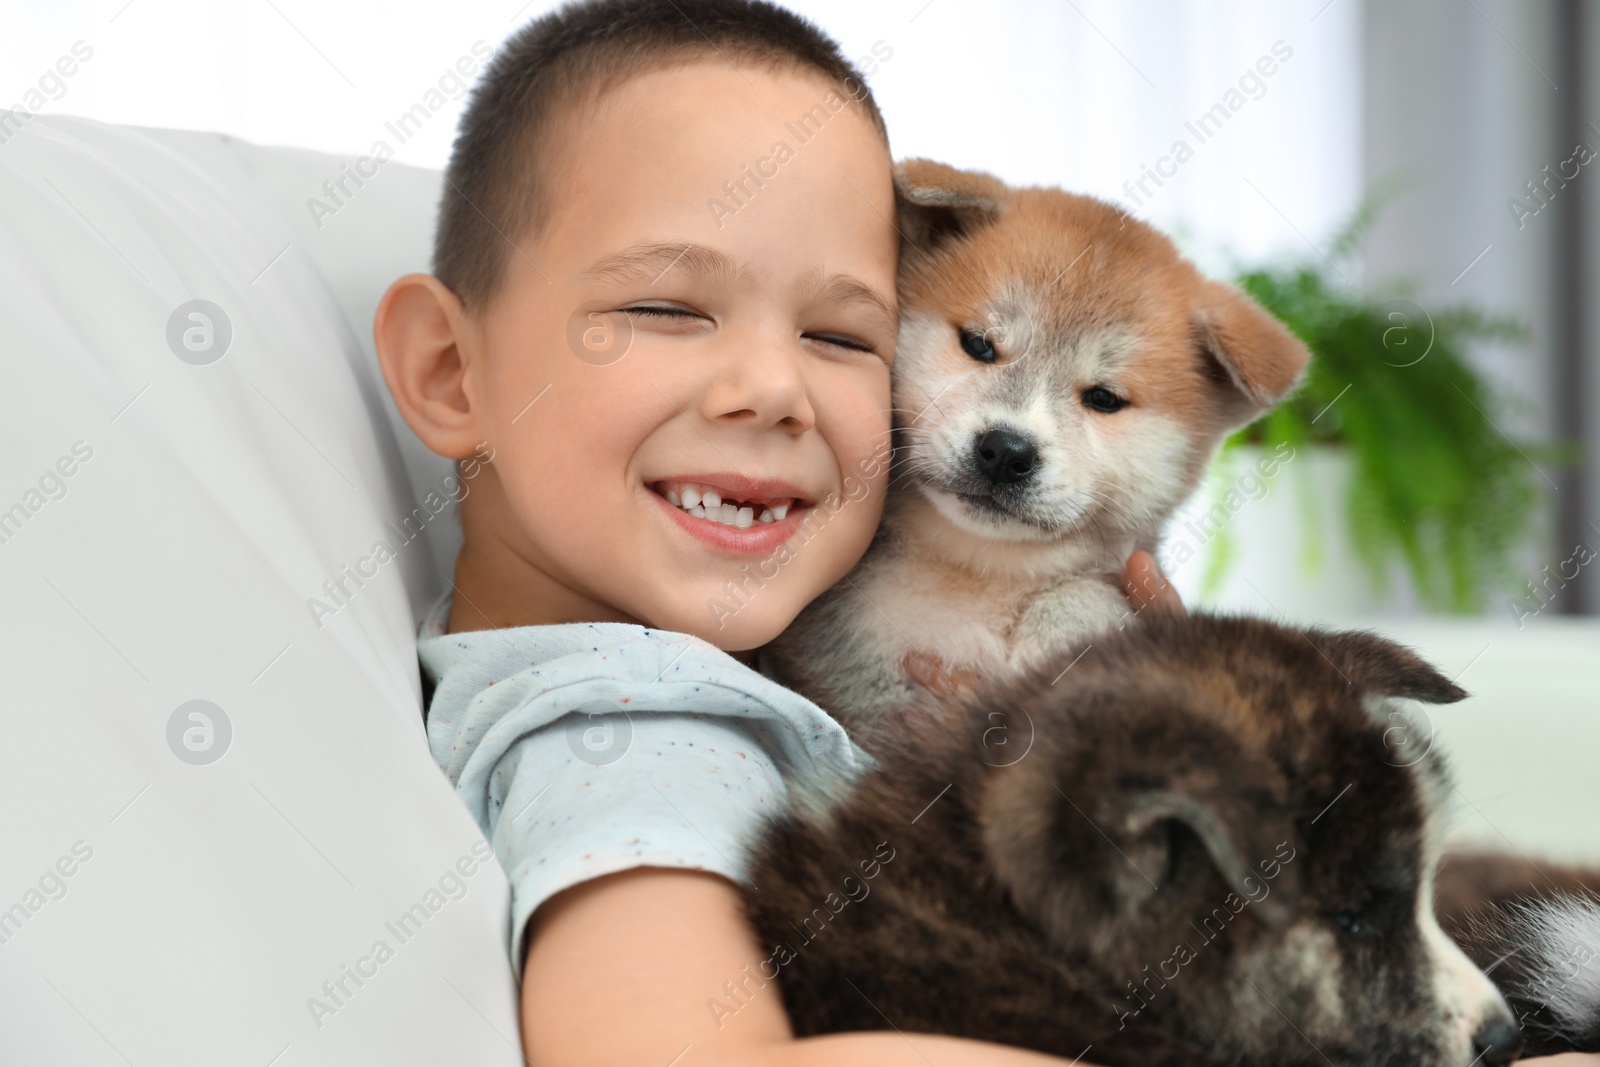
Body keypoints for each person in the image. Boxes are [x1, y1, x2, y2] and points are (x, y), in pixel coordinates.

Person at [377, 3, 1599, 1066]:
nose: (773, 389)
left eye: (843, 336)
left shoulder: (730, 645)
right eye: (664, 305)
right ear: (447, 369)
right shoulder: (625, 731)